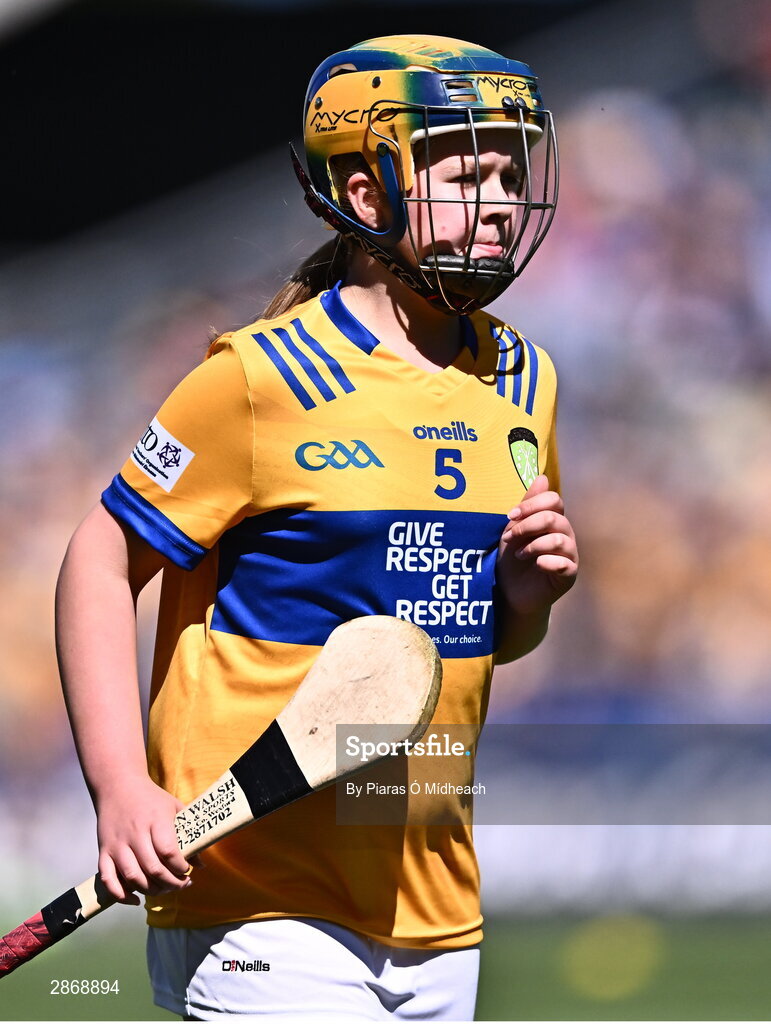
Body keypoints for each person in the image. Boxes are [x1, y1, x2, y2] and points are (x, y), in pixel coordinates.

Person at [56, 34, 578, 1020]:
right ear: (369, 197)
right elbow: (97, 557)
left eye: (512, 171)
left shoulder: (524, 378)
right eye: (470, 172)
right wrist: (121, 786)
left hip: (431, 899)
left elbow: (467, 640)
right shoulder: (260, 379)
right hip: (258, 898)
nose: (503, 199)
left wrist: (525, 600)